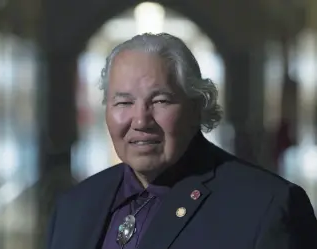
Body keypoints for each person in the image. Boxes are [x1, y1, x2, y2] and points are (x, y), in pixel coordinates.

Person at [47, 33, 317, 249]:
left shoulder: (267, 207)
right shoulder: (74, 207)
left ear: (196, 107)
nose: (140, 121)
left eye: (161, 100)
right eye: (124, 102)